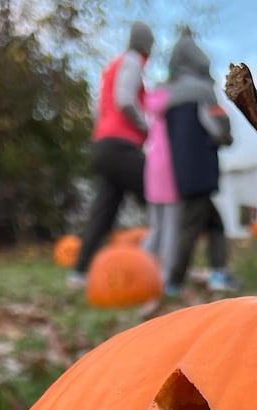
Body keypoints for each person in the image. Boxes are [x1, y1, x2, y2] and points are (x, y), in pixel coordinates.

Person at [68, 21, 153, 288]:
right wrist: (146, 126)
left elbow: (99, 110)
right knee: (158, 194)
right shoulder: (133, 61)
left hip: (103, 145)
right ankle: (159, 264)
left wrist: (102, 132)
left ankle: (79, 273)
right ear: (146, 45)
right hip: (121, 146)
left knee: (103, 211)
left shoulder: (112, 66)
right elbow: (125, 99)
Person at [163, 30, 237, 295]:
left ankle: (215, 272)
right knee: (191, 227)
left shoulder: (169, 95)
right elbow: (216, 124)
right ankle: (174, 281)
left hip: (183, 170)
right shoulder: (202, 90)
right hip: (201, 169)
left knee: (211, 223)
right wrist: (226, 136)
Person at [141, 77, 179, 284]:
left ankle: (140, 265)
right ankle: (164, 276)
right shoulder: (172, 108)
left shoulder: (152, 113)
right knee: (171, 228)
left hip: (152, 170)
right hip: (170, 172)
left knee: (156, 226)